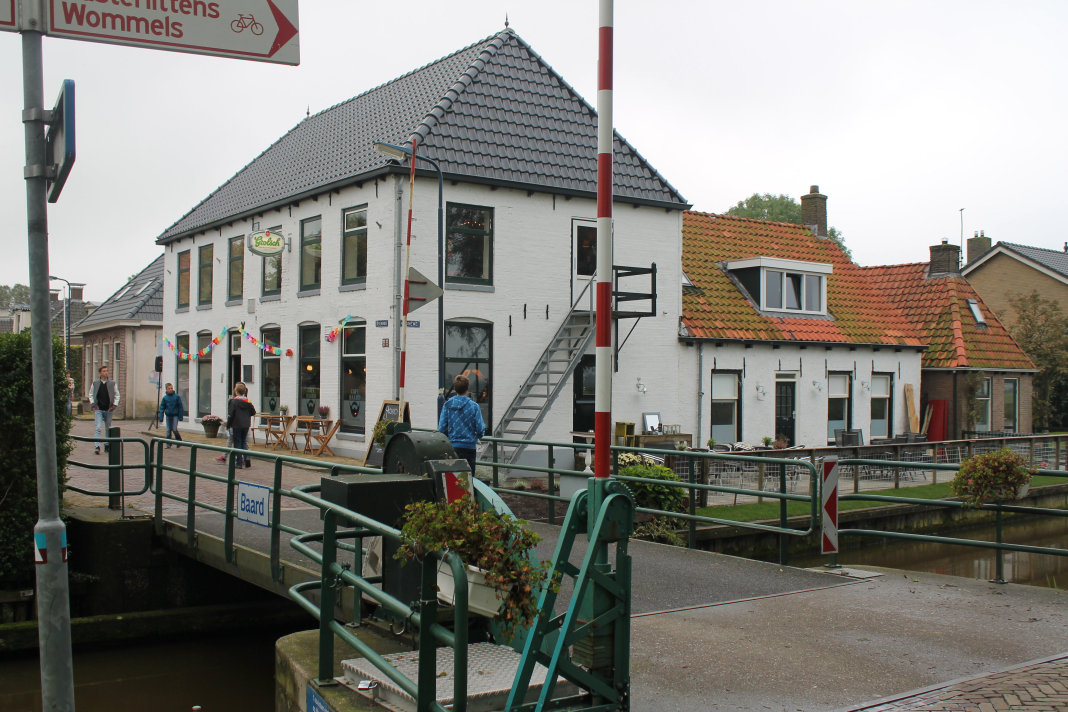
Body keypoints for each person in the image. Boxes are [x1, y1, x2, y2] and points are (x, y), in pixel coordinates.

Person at [438, 375, 485, 475]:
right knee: (469, 479)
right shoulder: (474, 406)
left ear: (455, 389)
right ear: (468, 388)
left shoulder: (447, 405)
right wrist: (477, 436)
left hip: (453, 447)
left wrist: (450, 437)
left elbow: (441, 428)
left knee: (454, 479)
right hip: (470, 448)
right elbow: (480, 429)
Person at [90, 365, 120, 455]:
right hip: (98, 409)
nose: (106, 372)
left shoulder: (112, 383)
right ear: (100, 373)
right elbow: (91, 394)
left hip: (108, 409)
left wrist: (114, 405)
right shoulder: (95, 383)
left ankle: (107, 444)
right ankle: (97, 446)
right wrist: (93, 404)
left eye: (107, 371)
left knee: (108, 427)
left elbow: (117, 394)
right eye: (104, 371)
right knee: (98, 427)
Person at [227, 382, 256, 468]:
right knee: (243, 441)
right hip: (246, 424)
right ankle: (247, 458)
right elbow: (253, 412)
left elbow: (231, 414)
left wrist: (228, 425)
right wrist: (246, 415)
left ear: (236, 392)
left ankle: (239, 462)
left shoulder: (234, 402)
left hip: (236, 424)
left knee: (237, 443)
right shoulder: (248, 401)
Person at [158, 382, 184, 447]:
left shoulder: (177, 397)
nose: (170, 390)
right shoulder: (165, 398)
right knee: (168, 430)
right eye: (169, 388)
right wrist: (161, 417)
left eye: (171, 388)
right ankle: (168, 443)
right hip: (168, 415)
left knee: (174, 429)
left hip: (175, 415)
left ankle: (179, 441)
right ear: (166, 389)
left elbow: (180, 407)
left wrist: (180, 416)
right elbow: (162, 408)